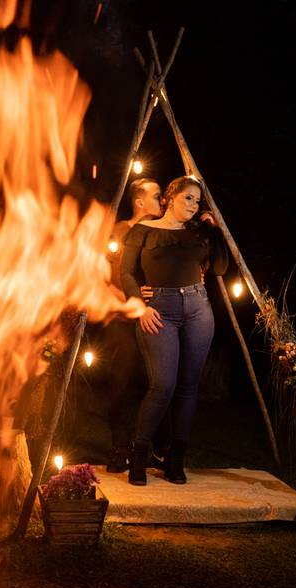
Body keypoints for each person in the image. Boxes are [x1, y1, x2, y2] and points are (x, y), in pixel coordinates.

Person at [120, 175, 228, 485]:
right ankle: (138, 456)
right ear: (170, 198)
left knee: (189, 387)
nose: (194, 205)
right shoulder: (142, 231)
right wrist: (140, 306)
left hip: (198, 309)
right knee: (163, 385)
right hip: (160, 311)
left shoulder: (198, 234)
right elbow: (126, 273)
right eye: (188, 198)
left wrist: (214, 229)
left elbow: (219, 268)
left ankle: (175, 460)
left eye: (197, 200)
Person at [102, 178, 163, 473]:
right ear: (139, 201)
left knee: (153, 383)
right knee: (121, 382)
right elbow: (104, 278)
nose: (162, 200)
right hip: (123, 319)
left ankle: (145, 446)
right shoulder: (119, 232)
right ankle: (120, 447)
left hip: (154, 318)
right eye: (156, 195)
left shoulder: (159, 231)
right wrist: (132, 301)